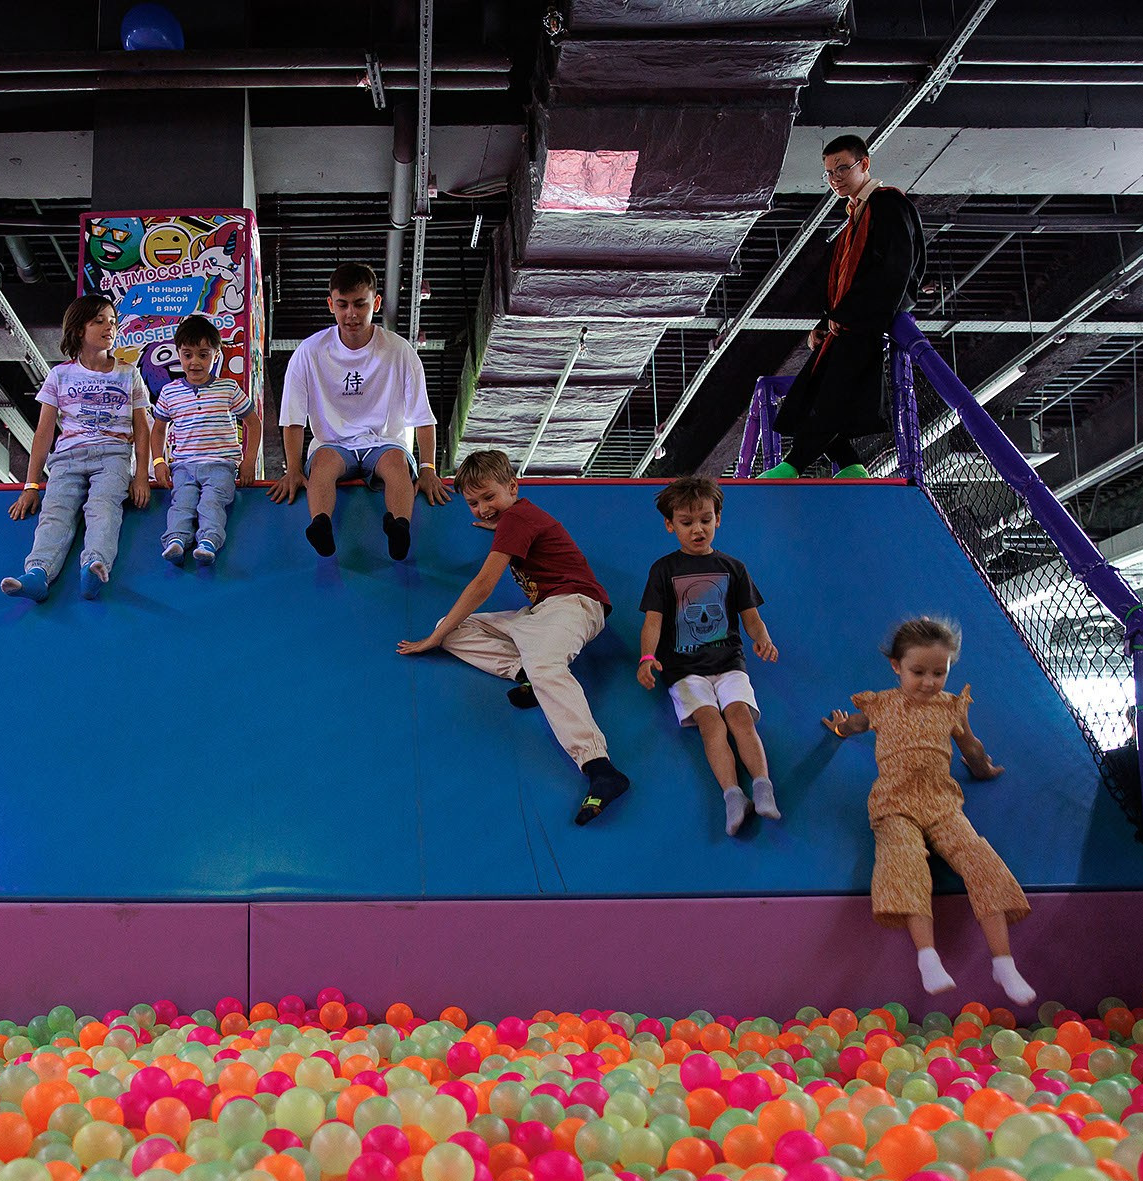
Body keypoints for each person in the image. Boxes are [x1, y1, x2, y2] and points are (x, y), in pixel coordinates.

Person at [396, 450, 630, 825]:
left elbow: (483, 585)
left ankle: (600, 767)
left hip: (573, 605)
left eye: (489, 497)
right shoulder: (516, 518)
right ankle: (525, 673)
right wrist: (443, 632)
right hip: (540, 615)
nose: (482, 508)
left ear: (513, 487)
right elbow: (521, 529)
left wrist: (431, 639)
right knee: (454, 627)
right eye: (472, 503)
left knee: (544, 664)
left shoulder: (518, 517)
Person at [823, 617, 1036, 1005]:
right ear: (896, 667)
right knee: (904, 861)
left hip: (941, 802)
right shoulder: (882, 704)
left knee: (982, 861)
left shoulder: (949, 708)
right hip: (895, 803)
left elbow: (970, 746)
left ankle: (1003, 963)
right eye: (917, 672)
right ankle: (928, 956)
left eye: (940, 672)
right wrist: (840, 729)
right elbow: (856, 723)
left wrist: (983, 769)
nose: (928, 682)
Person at [763, 134, 927, 480]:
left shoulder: (887, 204)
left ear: (864, 164)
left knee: (830, 400)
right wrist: (828, 320)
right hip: (850, 321)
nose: (835, 178)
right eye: (829, 173)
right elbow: (851, 276)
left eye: (842, 169)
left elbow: (895, 269)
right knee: (813, 396)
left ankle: (792, 466)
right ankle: (851, 466)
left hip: (865, 322)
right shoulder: (858, 211)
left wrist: (848, 315)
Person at [268, 262, 451, 560]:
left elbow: (422, 416)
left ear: (375, 303)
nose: (351, 314)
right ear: (331, 305)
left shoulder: (400, 350)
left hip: (384, 442)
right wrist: (293, 470)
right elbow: (293, 418)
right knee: (324, 464)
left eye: (360, 304)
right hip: (333, 444)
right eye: (343, 305)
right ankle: (320, 524)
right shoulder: (309, 352)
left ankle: (399, 526)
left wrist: (429, 468)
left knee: (395, 463)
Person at [636, 477, 781, 835]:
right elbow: (652, 622)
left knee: (739, 717)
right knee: (711, 724)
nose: (697, 529)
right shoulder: (663, 570)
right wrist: (646, 657)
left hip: (729, 663)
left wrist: (763, 640)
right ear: (671, 525)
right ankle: (733, 795)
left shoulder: (733, 568)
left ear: (718, 519)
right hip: (684, 672)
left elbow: (751, 617)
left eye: (706, 519)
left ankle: (762, 786)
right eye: (686, 523)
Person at [2, 295, 152, 601]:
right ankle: (37, 573)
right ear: (78, 329)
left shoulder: (128, 373)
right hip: (67, 458)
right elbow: (44, 432)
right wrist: (31, 484)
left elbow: (142, 428)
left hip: (113, 455)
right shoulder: (60, 375)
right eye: (98, 321)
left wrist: (140, 476)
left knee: (104, 508)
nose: (108, 327)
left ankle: (95, 565)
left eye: (112, 321)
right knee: (56, 511)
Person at [149, 314, 260, 566]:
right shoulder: (169, 392)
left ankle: (209, 541)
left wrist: (249, 461)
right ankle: (176, 540)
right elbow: (158, 429)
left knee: (212, 502)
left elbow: (253, 423)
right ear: (178, 354)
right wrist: (159, 461)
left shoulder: (228, 388)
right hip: (183, 466)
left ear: (215, 356)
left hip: (221, 465)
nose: (195, 362)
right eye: (188, 355)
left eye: (203, 354)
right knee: (182, 503)